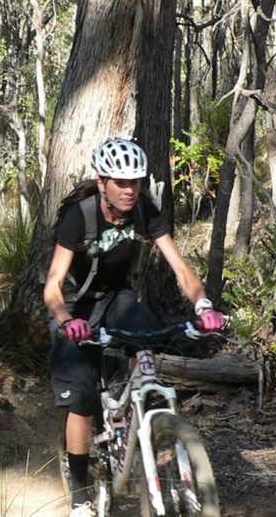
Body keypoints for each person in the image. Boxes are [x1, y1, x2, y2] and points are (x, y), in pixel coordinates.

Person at [43, 137, 225, 516]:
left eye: (136, 182)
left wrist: (203, 304)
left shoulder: (144, 209)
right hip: (76, 306)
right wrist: (66, 320)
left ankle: (136, 417)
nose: (130, 190)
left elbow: (180, 266)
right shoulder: (80, 215)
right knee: (81, 399)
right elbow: (53, 286)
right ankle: (80, 496)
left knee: (148, 337)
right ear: (102, 181)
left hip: (117, 298)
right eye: (121, 183)